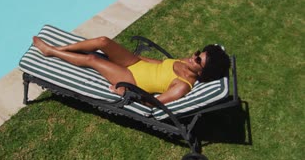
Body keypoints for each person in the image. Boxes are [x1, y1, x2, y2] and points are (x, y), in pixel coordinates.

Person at [32, 36, 230, 104]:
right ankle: (61, 48)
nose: (193, 56)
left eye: (198, 59)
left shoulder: (182, 86)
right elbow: (159, 64)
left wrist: (123, 90)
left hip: (131, 78)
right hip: (135, 63)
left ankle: (51, 52)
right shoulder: (184, 63)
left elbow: (153, 103)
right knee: (103, 42)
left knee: (92, 59)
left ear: (203, 73)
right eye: (198, 52)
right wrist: (132, 56)